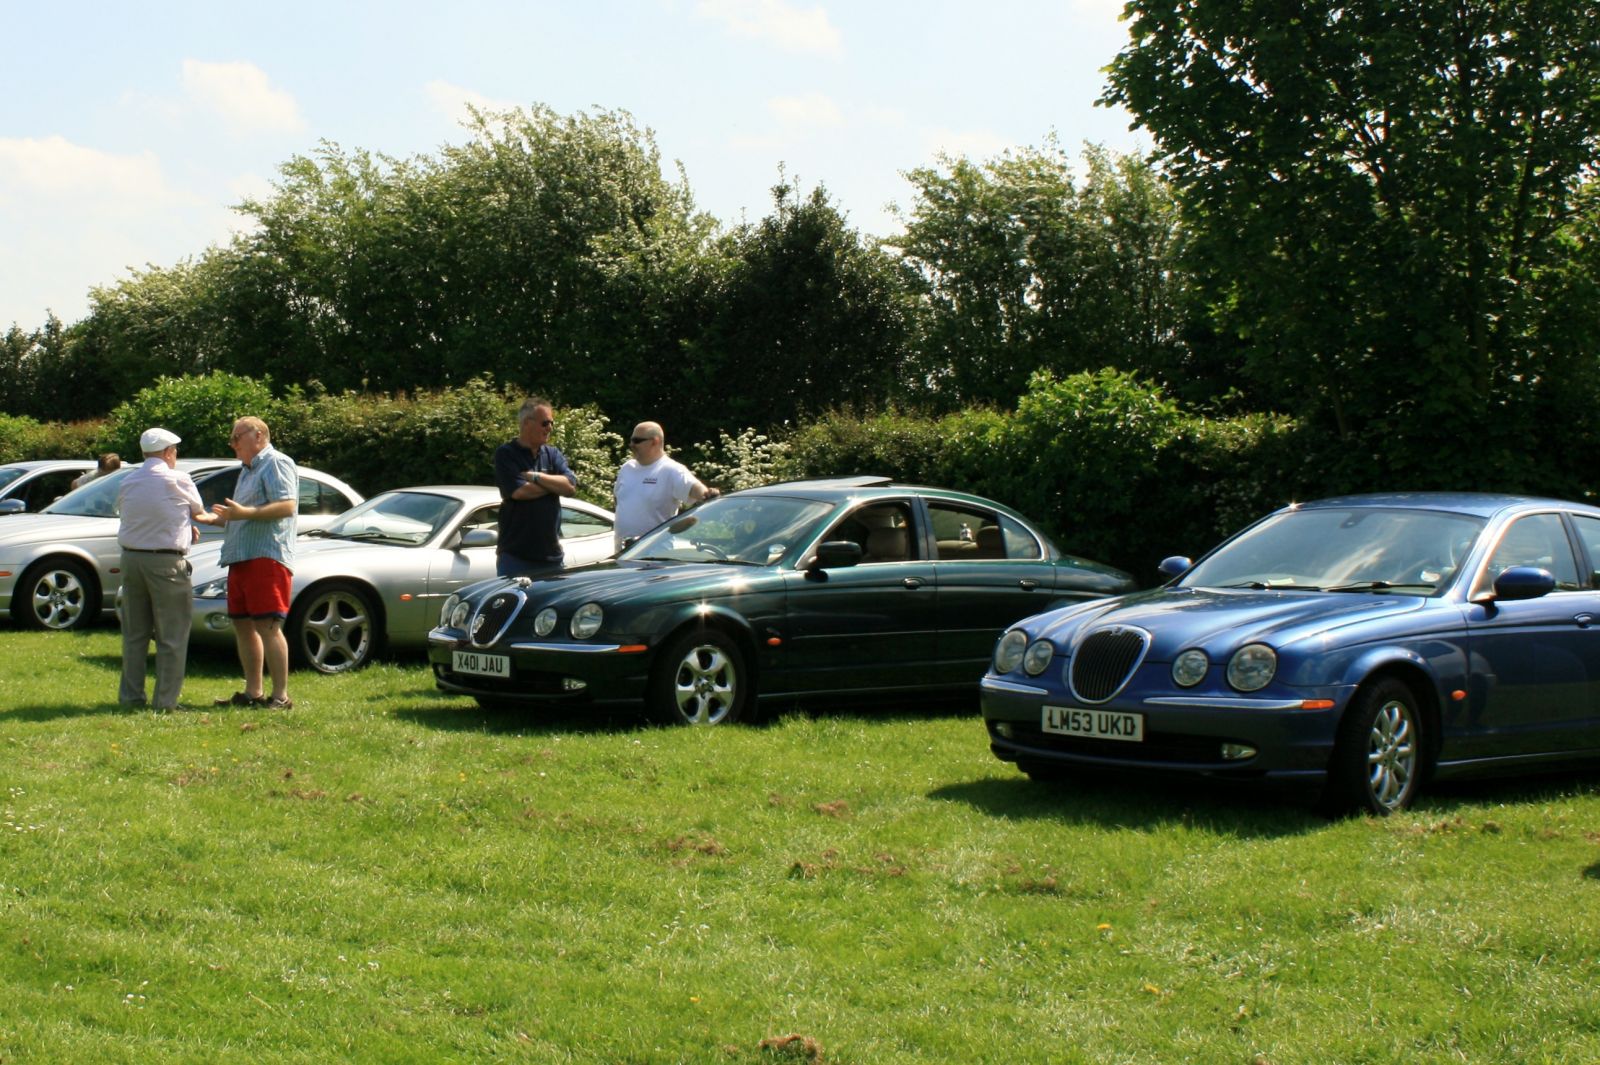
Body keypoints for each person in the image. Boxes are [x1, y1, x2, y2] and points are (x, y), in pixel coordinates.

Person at [116, 429, 218, 708]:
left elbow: (137, 515)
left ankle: (131, 697)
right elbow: (200, 514)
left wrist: (181, 527)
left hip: (132, 559)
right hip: (166, 563)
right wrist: (231, 519)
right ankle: (165, 701)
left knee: (135, 634)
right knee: (172, 635)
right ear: (168, 452)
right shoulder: (178, 479)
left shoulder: (128, 481)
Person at [210, 416, 298, 710]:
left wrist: (243, 513)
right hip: (241, 557)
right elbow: (241, 515)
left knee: (268, 625)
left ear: (258, 435)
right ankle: (253, 693)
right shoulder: (247, 470)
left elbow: (287, 505)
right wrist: (215, 518)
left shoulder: (276, 462)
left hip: (266, 557)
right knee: (243, 625)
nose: (232, 444)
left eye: (237, 437)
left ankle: (281, 697)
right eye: (231, 438)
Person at [493, 397, 577, 578]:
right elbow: (520, 492)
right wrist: (555, 485)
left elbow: (570, 487)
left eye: (552, 423)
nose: (550, 428)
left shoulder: (552, 454)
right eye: (545, 423)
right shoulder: (506, 454)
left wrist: (536, 477)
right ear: (526, 423)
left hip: (552, 558)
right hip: (516, 558)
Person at [612, 421, 718, 551]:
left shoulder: (671, 469)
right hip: (622, 552)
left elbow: (694, 488)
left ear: (654, 441)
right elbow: (618, 500)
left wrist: (707, 494)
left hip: (654, 552)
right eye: (631, 440)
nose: (631, 445)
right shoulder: (627, 468)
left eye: (636, 441)